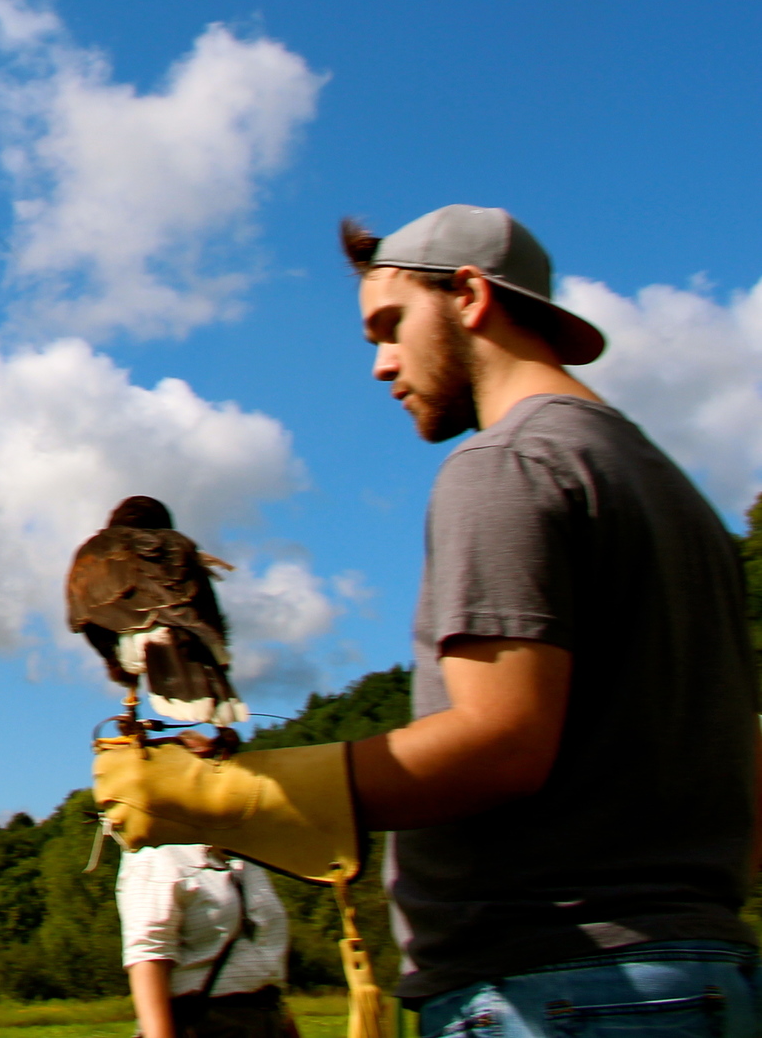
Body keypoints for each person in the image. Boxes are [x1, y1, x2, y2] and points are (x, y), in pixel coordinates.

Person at [95, 204, 759, 1038]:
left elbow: (504, 741)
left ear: (471, 296)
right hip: (708, 976)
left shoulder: (508, 464)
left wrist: (228, 792)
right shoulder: (681, 501)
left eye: (391, 325)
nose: (380, 364)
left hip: (554, 991)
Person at [118, 842, 296, 1038]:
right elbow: (148, 958)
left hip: (268, 1020)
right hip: (206, 1025)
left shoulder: (245, 855)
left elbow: (263, 966)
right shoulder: (156, 854)